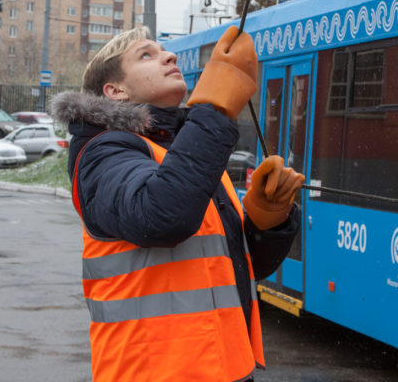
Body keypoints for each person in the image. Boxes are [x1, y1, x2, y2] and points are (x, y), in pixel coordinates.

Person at [51, 25, 305, 382]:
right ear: (115, 91)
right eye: (146, 55)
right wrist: (215, 111)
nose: (169, 56)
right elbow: (162, 218)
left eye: (164, 51)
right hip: (151, 373)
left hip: (227, 370)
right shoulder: (102, 152)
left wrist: (268, 220)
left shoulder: (186, 156)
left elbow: (238, 269)